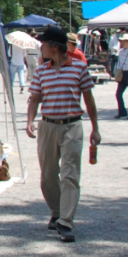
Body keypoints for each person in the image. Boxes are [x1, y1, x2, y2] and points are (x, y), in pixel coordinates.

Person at [25, 25, 100, 243]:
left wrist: (95, 127)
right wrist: (30, 121)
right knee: (48, 175)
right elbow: (35, 99)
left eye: (44, 45)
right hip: (48, 126)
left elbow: (89, 99)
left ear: (54, 47)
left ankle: (66, 221)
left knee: (70, 174)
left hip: (72, 125)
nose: (41, 49)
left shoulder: (79, 68)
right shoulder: (40, 71)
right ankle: (56, 211)